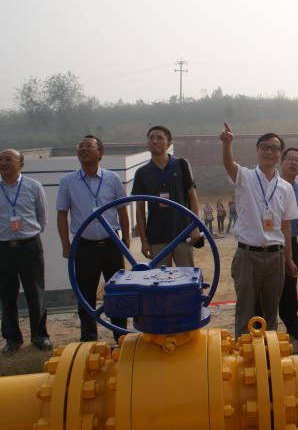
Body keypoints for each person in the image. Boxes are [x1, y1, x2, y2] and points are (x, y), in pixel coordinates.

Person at [219, 123, 298, 338]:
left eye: (274, 148)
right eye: (265, 147)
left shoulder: (286, 188)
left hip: (275, 256)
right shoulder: (245, 177)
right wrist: (227, 144)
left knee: (271, 310)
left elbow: (286, 226)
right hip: (247, 255)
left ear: (280, 153)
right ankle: (243, 350)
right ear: (257, 150)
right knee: (245, 309)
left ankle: (268, 350)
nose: (269, 152)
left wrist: (288, 259)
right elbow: (228, 164)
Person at [57, 136, 129, 342]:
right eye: (80, 146)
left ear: (100, 153)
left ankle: (121, 336)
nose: (83, 149)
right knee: (85, 293)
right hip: (84, 247)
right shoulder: (68, 181)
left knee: (117, 292)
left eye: (88, 146)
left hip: (111, 244)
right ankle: (88, 337)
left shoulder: (112, 178)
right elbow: (62, 214)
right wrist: (66, 245)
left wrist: (125, 239)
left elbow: (122, 209)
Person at [0, 149, 51, 354]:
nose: (3, 163)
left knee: (35, 292)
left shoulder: (33, 186)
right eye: (1, 159)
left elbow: (42, 216)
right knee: (6, 295)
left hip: (29, 246)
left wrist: (28, 234)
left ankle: (40, 336)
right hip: (3, 247)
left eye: (8, 159)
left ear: (20, 164)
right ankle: (12, 339)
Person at [132, 125, 201, 267]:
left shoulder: (181, 165)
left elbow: (192, 196)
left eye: (159, 138)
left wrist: (195, 227)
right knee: (160, 278)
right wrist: (144, 241)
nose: (155, 141)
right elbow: (140, 208)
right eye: (151, 138)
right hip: (157, 236)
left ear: (169, 144)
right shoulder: (141, 173)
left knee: (186, 275)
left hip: (182, 233)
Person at [277, 147, 298, 340]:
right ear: (281, 162)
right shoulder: (271, 187)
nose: (293, 162)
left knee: (290, 286)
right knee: (266, 287)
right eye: (289, 158)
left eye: (297, 160)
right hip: (271, 242)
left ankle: (293, 326)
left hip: (292, 243)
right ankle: (262, 328)